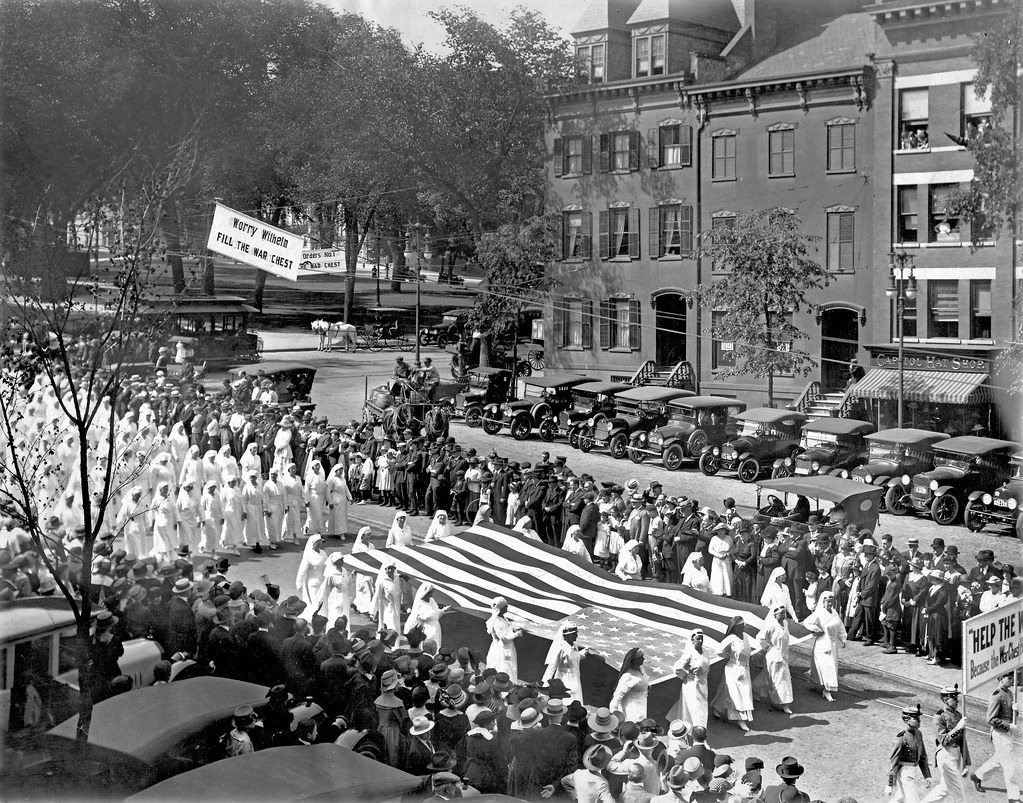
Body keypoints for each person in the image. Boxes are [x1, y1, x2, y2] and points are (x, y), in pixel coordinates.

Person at [971, 672, 1019, 799]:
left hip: (1007, 733)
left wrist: (1016, 711)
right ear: (1001, 679)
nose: (1012, 680)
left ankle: (977, 776)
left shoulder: (1010, 693)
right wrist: (1008, 726)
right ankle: (1014, 797)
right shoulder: (996, 696)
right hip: (999, 733)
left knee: (998, 760)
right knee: (1009, 765)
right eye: (1009, 678)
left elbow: (1010, 715)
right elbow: (991, 719)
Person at [921, 684, 969, 803]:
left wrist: (966, 762)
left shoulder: (958, 715)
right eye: (954, 698)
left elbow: (962, 740)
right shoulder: (939, 717)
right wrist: (957, 728)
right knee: (957, 793)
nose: (957, 700)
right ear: (946, 699)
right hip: (946, 754)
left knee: (945, 789)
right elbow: (944, 741)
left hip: (956, 753)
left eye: (957, 697)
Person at [710, 615, 754, 732]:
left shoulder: (745, 636)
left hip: (745, 669)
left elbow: (747, 650)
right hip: (733, 669)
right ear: (734, 627)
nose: (743, 627)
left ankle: (718, 707)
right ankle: (740, 720)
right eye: (740, 626)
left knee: (736, 692)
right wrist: (730, 657)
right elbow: (719, 651)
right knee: (736, 695)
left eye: (744, 625)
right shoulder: (730, 639)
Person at [802, 590, 847, 702]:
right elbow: (807, 622)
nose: (830, 604)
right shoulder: (819, 613)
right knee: (827, 666)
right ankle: (827, 690)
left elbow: (840, 626)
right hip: (823, 643)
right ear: (823, 602)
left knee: (832, 666)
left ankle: (819, 682)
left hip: (833, 643)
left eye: (832, 601)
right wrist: (817, 630)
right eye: (828, 602)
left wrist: (843, 638)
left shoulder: (834, 613)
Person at [754, 605, 794, 715]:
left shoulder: (785, 623)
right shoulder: (771, 625)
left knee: (771, 677)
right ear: (775, 615)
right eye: (781, 614)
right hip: (774, 656)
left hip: (783, 654)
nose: (783, 615)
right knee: (779, 680)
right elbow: (761, 638)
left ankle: (755, 688)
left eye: (784, 613)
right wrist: (768, 648)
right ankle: (784, 704)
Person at [669, 630, 709, 730]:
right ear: (692, 640)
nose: (700, 641)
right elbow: (677, 668)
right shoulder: (689, 654)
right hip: (692, 685)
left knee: (693, 706)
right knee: (696, 709)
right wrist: (685, 669)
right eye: (698, 639)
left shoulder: (705, 652)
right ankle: (699, 730)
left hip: (703, 684)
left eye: (702, 639)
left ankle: (673, 718)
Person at [542, 624, 587, 704]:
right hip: (564, 680)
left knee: (576, 700)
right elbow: (552, 666)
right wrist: (545, 684)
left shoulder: (574, 645)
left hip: (575, 679)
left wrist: (583, 653)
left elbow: (574, 658)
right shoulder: (561, 648)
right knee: (566, 701)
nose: (577, 636)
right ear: (567, 636)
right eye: (574, 634)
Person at [486, 596, 523, 681]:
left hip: (507, 647)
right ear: (501, 608)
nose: (507, 607)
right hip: (502, 648)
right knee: (504, 666)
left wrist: (513, 629)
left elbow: (506, 628)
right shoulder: (497, 621)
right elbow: (504, 638)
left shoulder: (503, 618)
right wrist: (517, 634)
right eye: (505, 606)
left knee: (510, 666)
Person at [406, 582, 450, 652]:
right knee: (428, 646)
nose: (432, 594)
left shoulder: (431, 601)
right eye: (432, 592)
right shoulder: (419, 604)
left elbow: (436, 615)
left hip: (436, 627)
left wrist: (443, 611)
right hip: (427, 629)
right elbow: (424, 617)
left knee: (436, 646)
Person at [610, 647, 649, 723]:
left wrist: (646, 686)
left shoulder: (641, 668)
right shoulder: (627, 676)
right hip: (631, 706)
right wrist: (613, 712)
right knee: (632, 725)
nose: (643, 659)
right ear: (634, 660)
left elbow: (642, 679)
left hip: (642, 703)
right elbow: (618, 695)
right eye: (641, 657)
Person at [295, 534, 328, 609]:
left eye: (320, 541)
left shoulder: (323, 553)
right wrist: (299, 583)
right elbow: (302, 570)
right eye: (318, 542)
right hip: (312, 583)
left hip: (322, 582)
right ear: (313, 543)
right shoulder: (309, 555)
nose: (320, 543)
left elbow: (328, 564)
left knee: (322, 603)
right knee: (313, 603)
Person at [372, 561, 403, 634]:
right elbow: (377, 596)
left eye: (392, 568)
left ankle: (395, 640)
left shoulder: (398, 579)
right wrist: (373, 611)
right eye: (388, 568)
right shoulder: (382, 581)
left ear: (394, 569)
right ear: (385, 569)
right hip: (387, 609)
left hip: (397, 609)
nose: (390, 570)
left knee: (396, 627)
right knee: (391, 627)